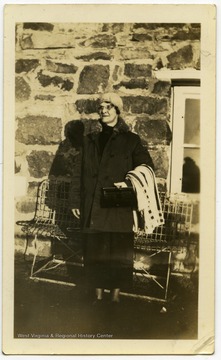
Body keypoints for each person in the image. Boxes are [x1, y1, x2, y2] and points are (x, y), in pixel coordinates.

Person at [69, 92, 154, 304]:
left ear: (117, 111)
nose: (104, 110)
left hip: (119, 202)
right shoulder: (89, 141)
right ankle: (98, 293)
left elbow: (146, 167)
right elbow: (78, 173)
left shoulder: (131, 141)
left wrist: (128, 182)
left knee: (118, 249)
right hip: (93, 203)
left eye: (109, 106)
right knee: (95, 249)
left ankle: (115, 294)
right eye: (101, 107)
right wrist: (75, 200)